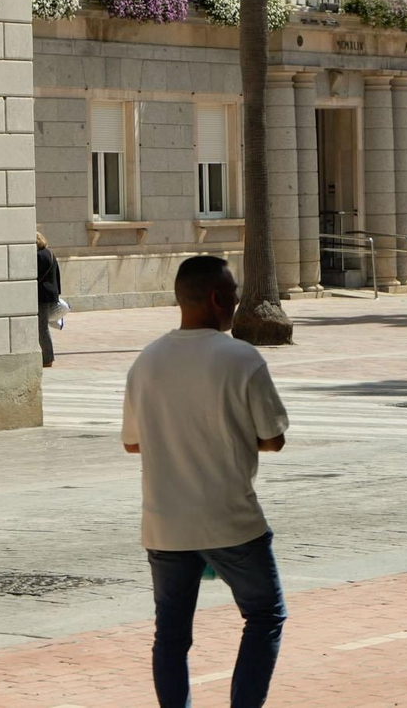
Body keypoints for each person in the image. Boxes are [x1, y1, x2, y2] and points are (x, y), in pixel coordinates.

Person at [121, 256, 290, 708]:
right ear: (217, 300)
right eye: (234, 294)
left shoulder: (146, 362)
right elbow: (273, 439)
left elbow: (132, 444)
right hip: (230, 520)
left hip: (165, 523)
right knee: (264, 614)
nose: (237, 301)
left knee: (171, 637)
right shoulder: (241, 358)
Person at [36, 231, 61, 368]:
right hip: (50, 295)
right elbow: (57, 275)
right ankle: (45, 356)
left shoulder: (38, 256)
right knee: (42, 326)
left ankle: (47, 358)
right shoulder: (50, 253)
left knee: (42, 328)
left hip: (41, 296)